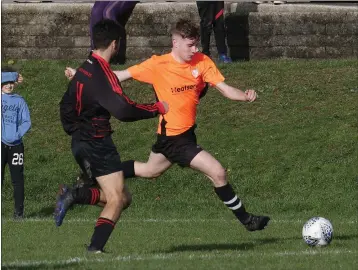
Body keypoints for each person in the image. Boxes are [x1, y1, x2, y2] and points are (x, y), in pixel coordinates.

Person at [65, 19, 269, 232]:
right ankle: (247, 221)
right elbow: (118, 75)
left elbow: (225, 89)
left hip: (182, 136)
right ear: (175, 42)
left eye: (196, 44)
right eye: (190, 45)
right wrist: (79, 76)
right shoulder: (157, 64)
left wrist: (245, 96)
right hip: (174, 139)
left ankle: (92, 178)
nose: (195, 49)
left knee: (149, 170)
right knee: (217, 172)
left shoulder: (202, 62)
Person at [56, 19, 169, 253]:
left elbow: (65, 106)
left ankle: (76, 194)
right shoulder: (102, 74)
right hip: (96, 143)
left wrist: (75, 131)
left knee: (123, 198)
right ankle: (94, 250)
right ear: (115, 44)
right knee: (116, 198)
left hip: (81, 142)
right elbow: (124, 110)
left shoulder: (85, 67)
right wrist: (156, 108)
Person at [1, 67, 31, 220]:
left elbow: (27, 122)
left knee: (17, 180)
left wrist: (16, 135)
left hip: (16, 146)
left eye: (11, 82)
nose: (9, 85)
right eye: (5, 82)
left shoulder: (20, 100)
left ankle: (18, 213)